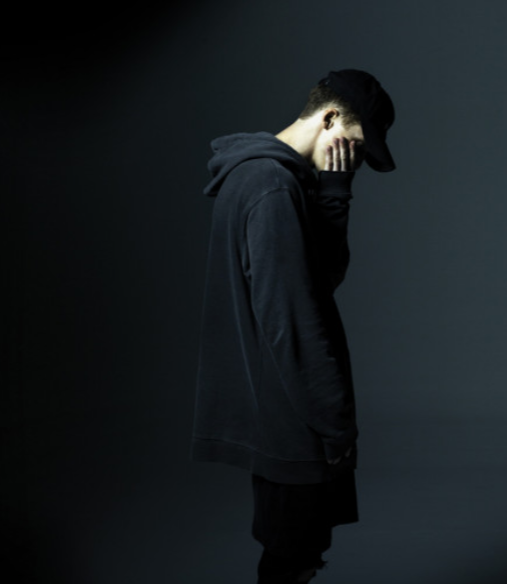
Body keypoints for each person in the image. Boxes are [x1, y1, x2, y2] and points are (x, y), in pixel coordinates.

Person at [192, 69, 396, 584]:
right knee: (292, 559)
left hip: (284, 406)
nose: (355, 158)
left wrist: (335, 193)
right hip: (292, 413)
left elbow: (320, 281)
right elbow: (292, 322)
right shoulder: (271, 187)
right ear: (329, 118)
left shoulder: (276, 180)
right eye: (355, 143)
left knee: (296, 555)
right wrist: (335, 423)